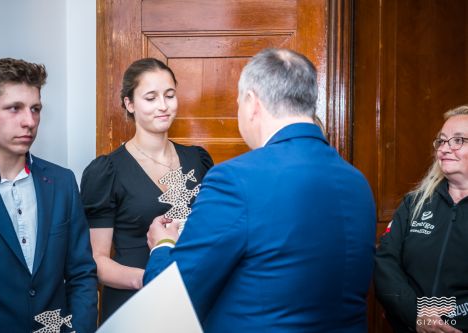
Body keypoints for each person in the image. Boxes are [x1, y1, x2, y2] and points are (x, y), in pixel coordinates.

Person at [143, 48, 377, 332]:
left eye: (239, 103)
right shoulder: (357, 182)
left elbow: (172, 298)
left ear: (252, 103)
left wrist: (163, 245)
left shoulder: (234, 180)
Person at [0, 58, 97, 332]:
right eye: (14, 108)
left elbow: (82, 273)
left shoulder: (62, 182)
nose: (29, 121)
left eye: (35, 109)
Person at [80, 58, 213, 322]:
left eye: (170, 95)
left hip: (193, 296)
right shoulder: (107, 171)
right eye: (150, 98)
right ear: (129, 104)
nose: (163, 106)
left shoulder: (198, 159)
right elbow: (97, 261)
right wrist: (152, 279)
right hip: (135, 303)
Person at [375, 105, 468, 333]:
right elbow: (385, 263)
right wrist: (414, 314)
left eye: (458, 141)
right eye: (441, 141)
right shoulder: (414, 203)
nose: (445, 149)